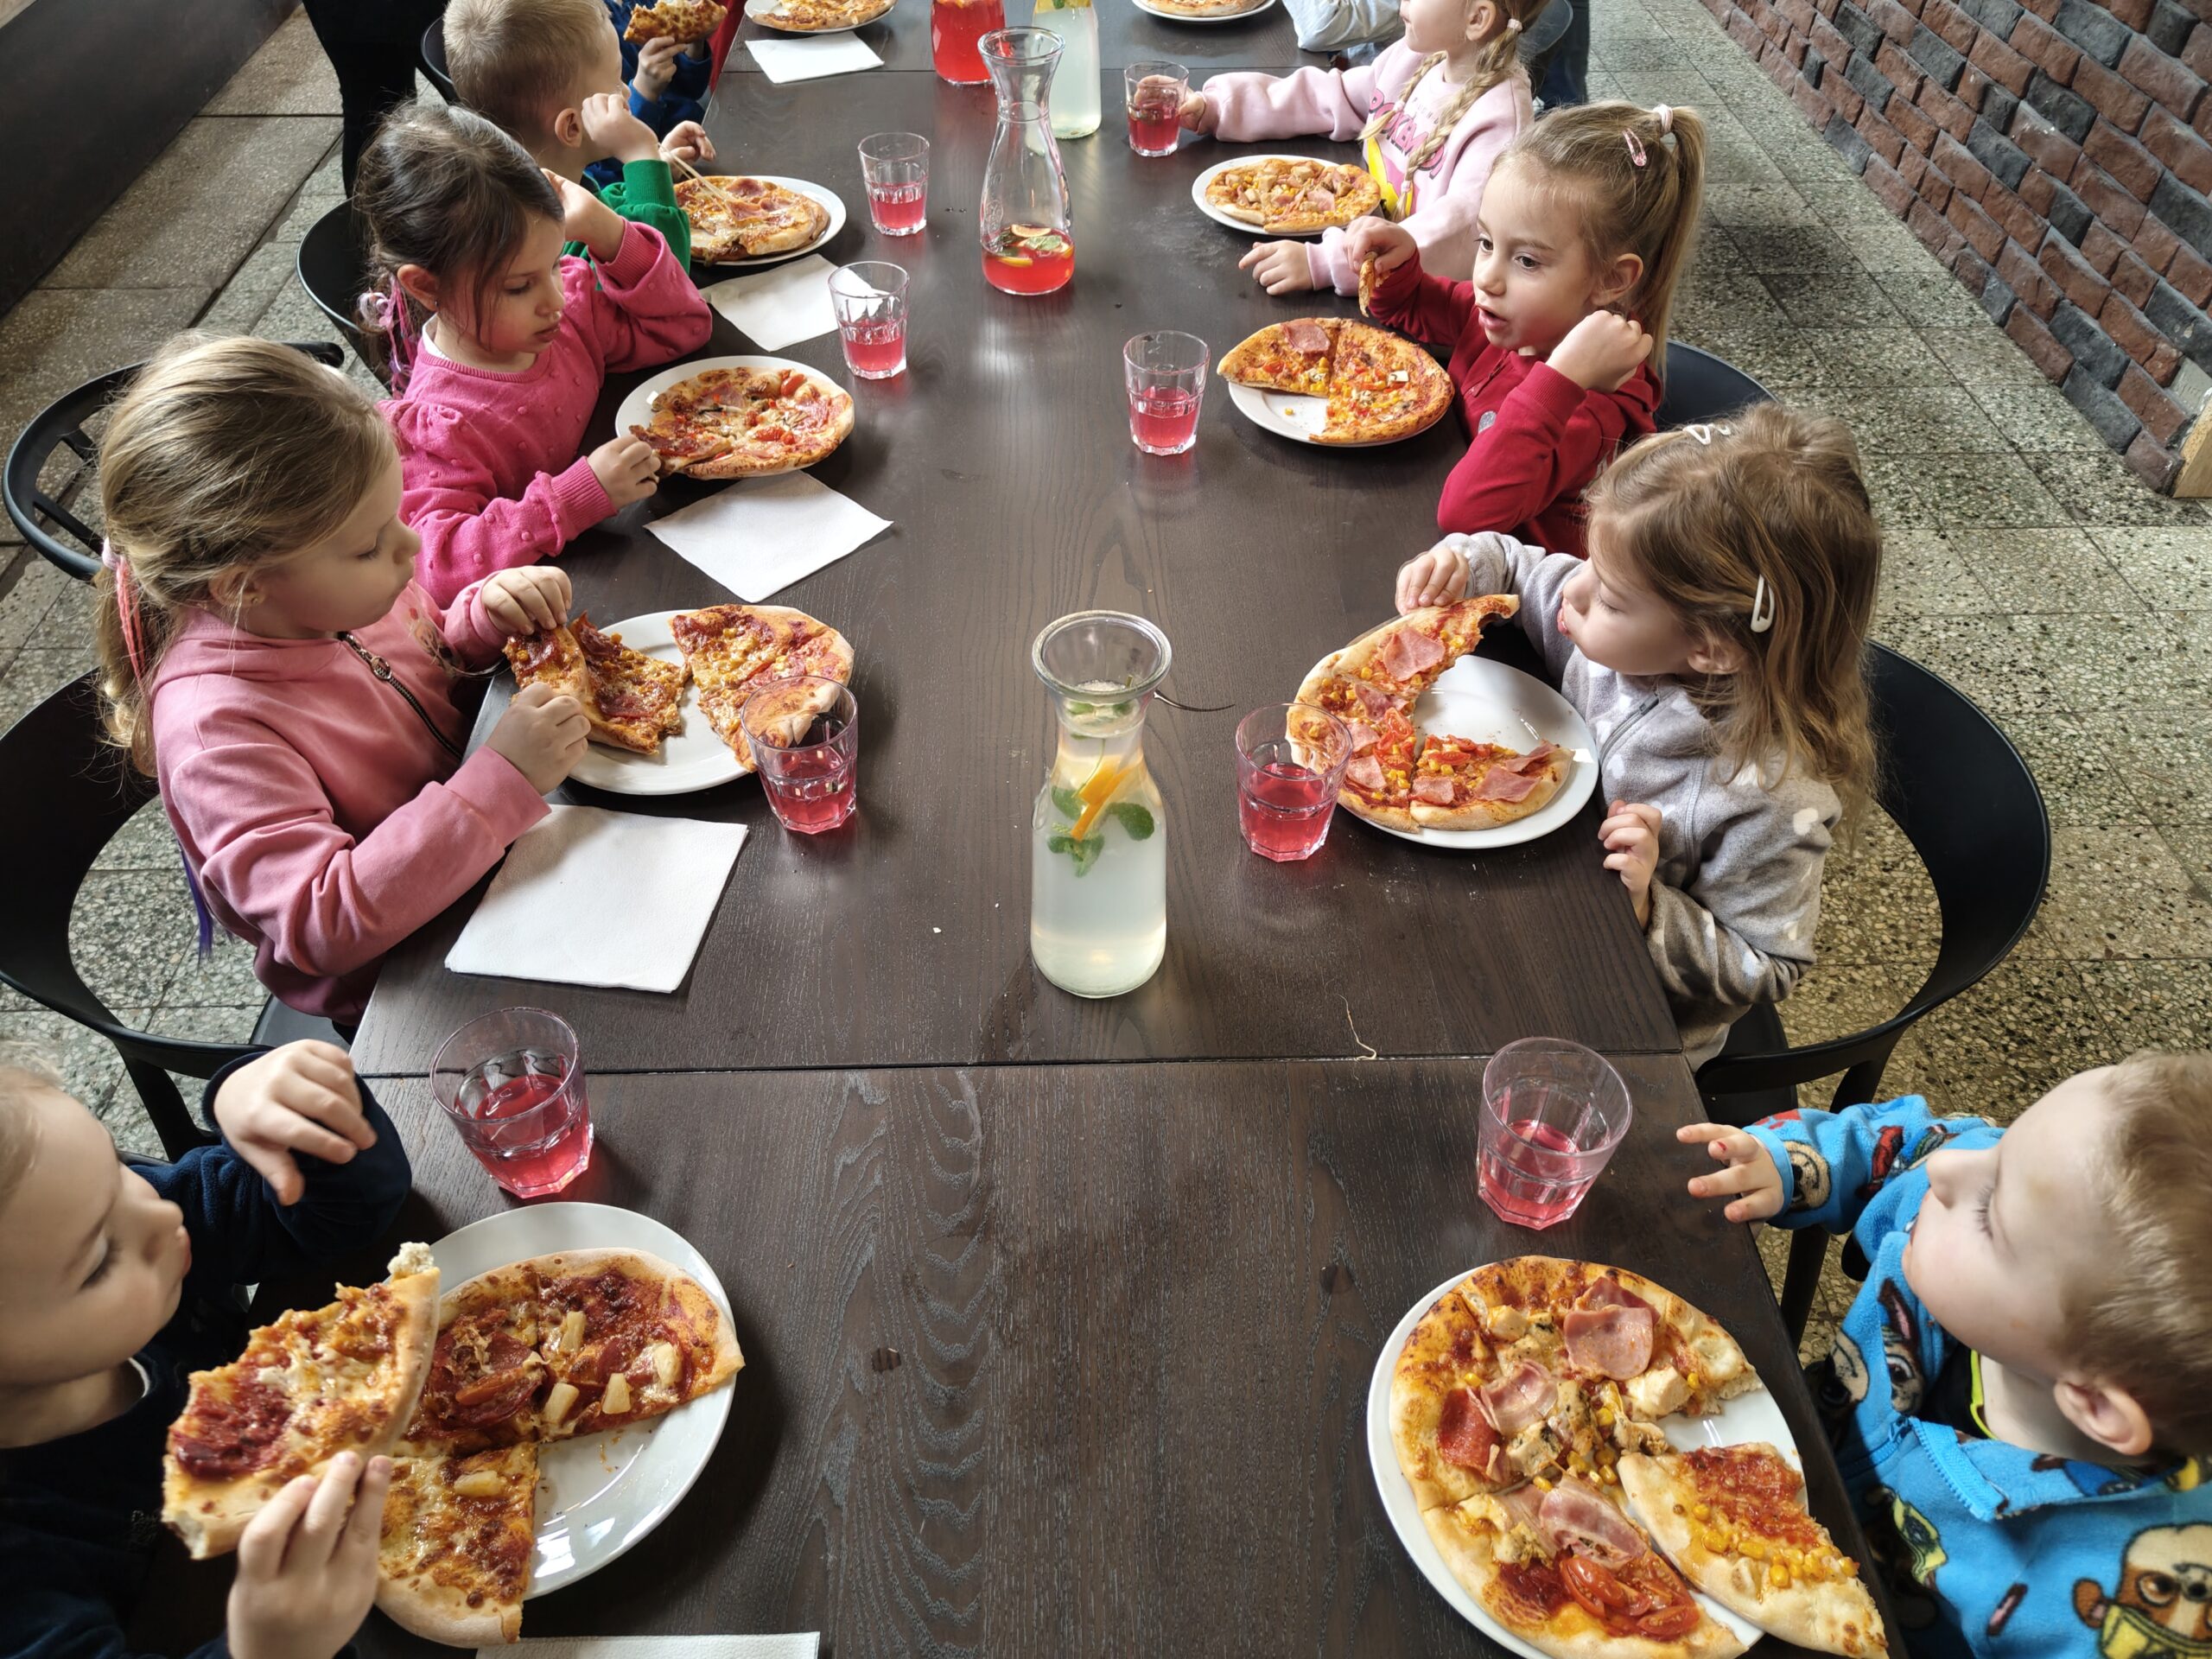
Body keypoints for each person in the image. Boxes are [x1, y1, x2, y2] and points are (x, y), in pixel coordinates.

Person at [92, 334, 589, 1025]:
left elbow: (427, 662)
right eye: (370, 544)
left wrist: (479, 623)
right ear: (243, 586)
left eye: (395, 518)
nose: (411, 546)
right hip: (410, 982)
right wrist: (499, 780)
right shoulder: (217, 732)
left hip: (494, 859)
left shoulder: (337, 595)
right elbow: (323, 922)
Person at [1680, 1051, 2212, 1659]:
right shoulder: (2028, 1204)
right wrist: (1789, 1161)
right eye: (2007, 1144)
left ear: (2094, 1403)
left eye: (1991, 1215)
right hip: (1762, 1452)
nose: (1949, 1168)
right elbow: (1912, 1144)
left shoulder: (2128, 1601)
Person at [1394, 405, 1880, 1065]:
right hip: (1530, 895)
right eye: (1589, 561)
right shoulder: (1618, 627)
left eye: (1611, 599)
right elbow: (1517, 566)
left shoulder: (1770, 797)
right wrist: (1463, 563)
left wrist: (1651, 906)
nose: (1574, 590)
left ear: (1712, 648)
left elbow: (1768, 965)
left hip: (1620, 1023)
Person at [0, 1039, 410, 1659]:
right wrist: (267, 1651)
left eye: (117, 1165)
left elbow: (343, 1212)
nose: (159, 1215)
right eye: (100, 1261)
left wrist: (282, 1107)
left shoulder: (132, 1219)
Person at [354, 101, 712, 603]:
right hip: (563, 609)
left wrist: (605, 230)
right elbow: (437, 568)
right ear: (426, 287)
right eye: (520, 286)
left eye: (552, 265)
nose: (554, 298)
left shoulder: (566, 311)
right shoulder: (438, 425)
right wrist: (572, 498)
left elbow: (682, 326)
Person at [1351, 100, 1704, 555]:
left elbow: (1465, 516)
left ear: (1611, 280)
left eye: (1527, 261)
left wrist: (1559, 381)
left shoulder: (1594, 408)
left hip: (1521, 592)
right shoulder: (1515, 318)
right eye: (1486, 242)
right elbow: (1417, 305)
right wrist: (1398, 267)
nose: (1487, 278)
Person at [1179, 0, 1543, 296]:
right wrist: (1221, 109)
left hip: (1404, 301)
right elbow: (1331, 97)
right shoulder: (1416, 58)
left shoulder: (1499, 122)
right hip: (1357, 243)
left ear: (1477, 18)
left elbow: (1454, 234)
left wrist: (1326, 263)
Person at [442, 0, 714, 265]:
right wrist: (642, 156)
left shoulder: (560, 183)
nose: (627, 91)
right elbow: (665, 275)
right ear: (572, 127)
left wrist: (654, 173)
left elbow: (607, 205)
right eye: (616, 82)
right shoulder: (562, 246)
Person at [590, 0, 718, 195]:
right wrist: (645, 90)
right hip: (647, 179)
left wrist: (694, 38)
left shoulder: (644, 6)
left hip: (695, 136)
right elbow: (606, 156)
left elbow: (691, 89)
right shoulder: (585, 31)